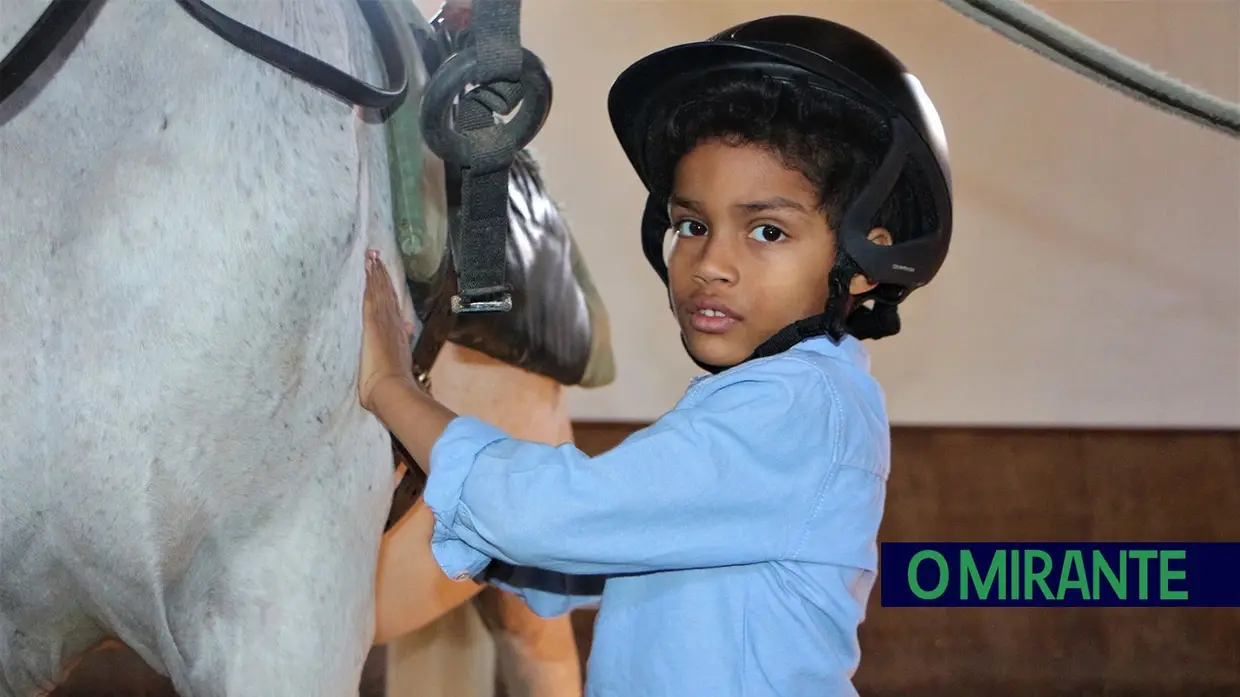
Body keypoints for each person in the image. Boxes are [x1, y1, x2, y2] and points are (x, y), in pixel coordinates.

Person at [360, 14, 952, 697]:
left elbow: (559, 514)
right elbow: (610, 548)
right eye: (692, 224)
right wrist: (499, 535)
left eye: (766, 230)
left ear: (863, 262)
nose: (711, 263)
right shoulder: (787, 402)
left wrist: (392, 388)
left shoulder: (797, 407)